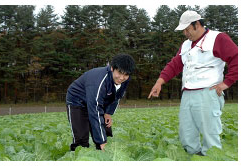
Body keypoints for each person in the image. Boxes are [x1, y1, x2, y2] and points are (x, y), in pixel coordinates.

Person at [148, 10, 238, 156]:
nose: (185, 33)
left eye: (187, 29)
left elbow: (236, 57)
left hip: (208, 92)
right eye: (183, 30)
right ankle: (194, 158)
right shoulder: (185, 45)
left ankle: (213, 159)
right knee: (187, 133)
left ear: (197, 24)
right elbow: (175, 64)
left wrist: (226, 83)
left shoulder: (217, 38)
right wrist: (159, 82)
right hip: (187, 92)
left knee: (210, 133)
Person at [66, 54, 135, 151]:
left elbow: (116, 96)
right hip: (77, 100)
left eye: (126, 75)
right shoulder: (99, 80)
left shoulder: (124, 80)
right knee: (81, 139)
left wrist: (108, 113)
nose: (121, 78)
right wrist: (101, 141)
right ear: (112, 68)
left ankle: (102, 155)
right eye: (119, 73)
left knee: (106, 129)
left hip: (96, 99)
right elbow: (94, 111)